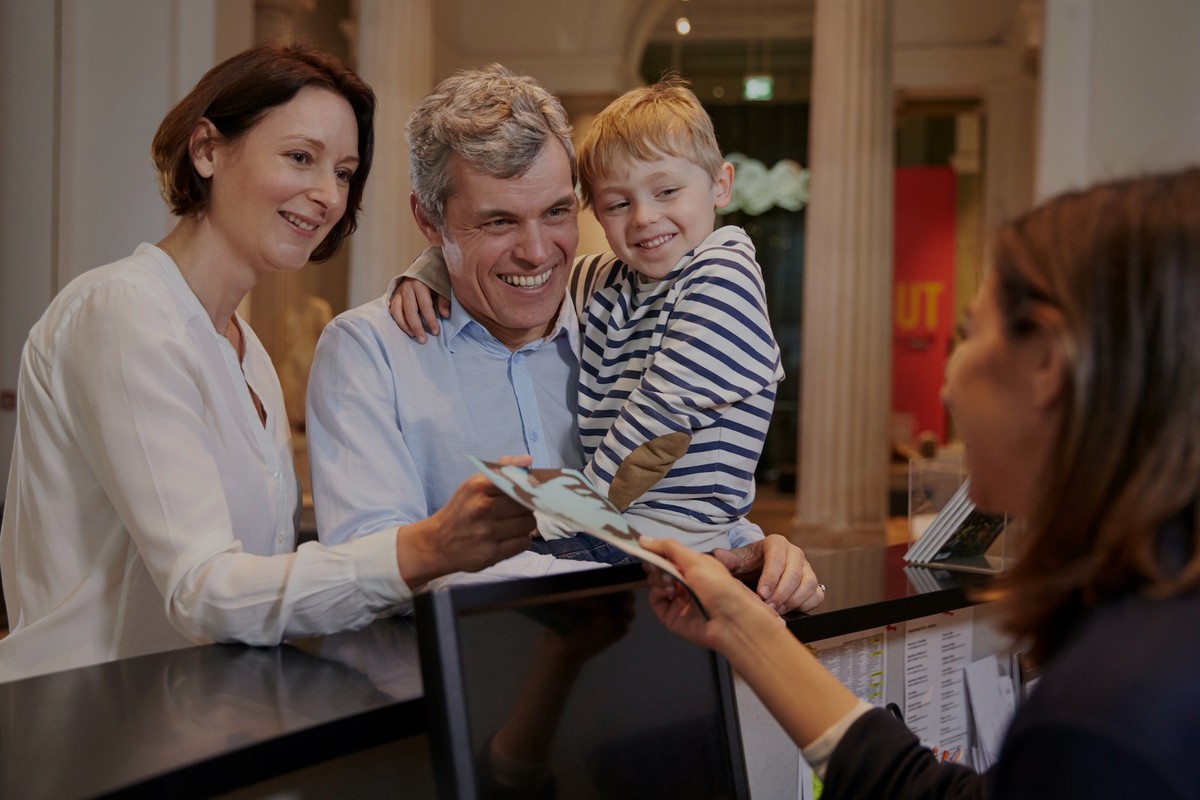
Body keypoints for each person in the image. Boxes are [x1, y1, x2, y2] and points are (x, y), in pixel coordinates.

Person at [642, 168, 1200, 799]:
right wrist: (746, 629)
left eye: (967, 336)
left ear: (1047, 360)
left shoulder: (1109, 719)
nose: (946, 386)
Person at [0, 42, 534, 682]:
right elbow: (202, 590)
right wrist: (427, 546)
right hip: (83, 726)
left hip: (197, 717)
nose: (327, 195)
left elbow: (258, 581)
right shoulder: (124, 311)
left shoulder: (244, 349)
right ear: (206, 151)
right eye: (300, 157)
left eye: (343, 172)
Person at [308, 65, 822, 614]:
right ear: (430, 222)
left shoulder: (606, 308)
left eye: (555, 212)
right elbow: (374, 562)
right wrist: (634, 576)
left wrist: (753, 550)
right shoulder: (369, 353)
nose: (537, 252)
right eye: (498, 222)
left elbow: (675, 488)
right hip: (458, 684)